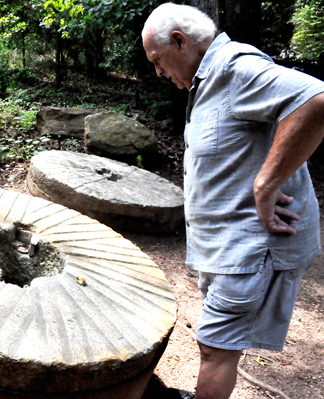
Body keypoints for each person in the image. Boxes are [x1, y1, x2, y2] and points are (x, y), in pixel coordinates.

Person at [142, 3, 324, 399]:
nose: (157, 71)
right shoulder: (206, 81)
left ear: (179, 41)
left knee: (214, 349)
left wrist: (266, 183)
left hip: (251, 249)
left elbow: (315, 99)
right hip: (226, 248)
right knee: (218, 345)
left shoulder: (234, 69)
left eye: (157, 59)